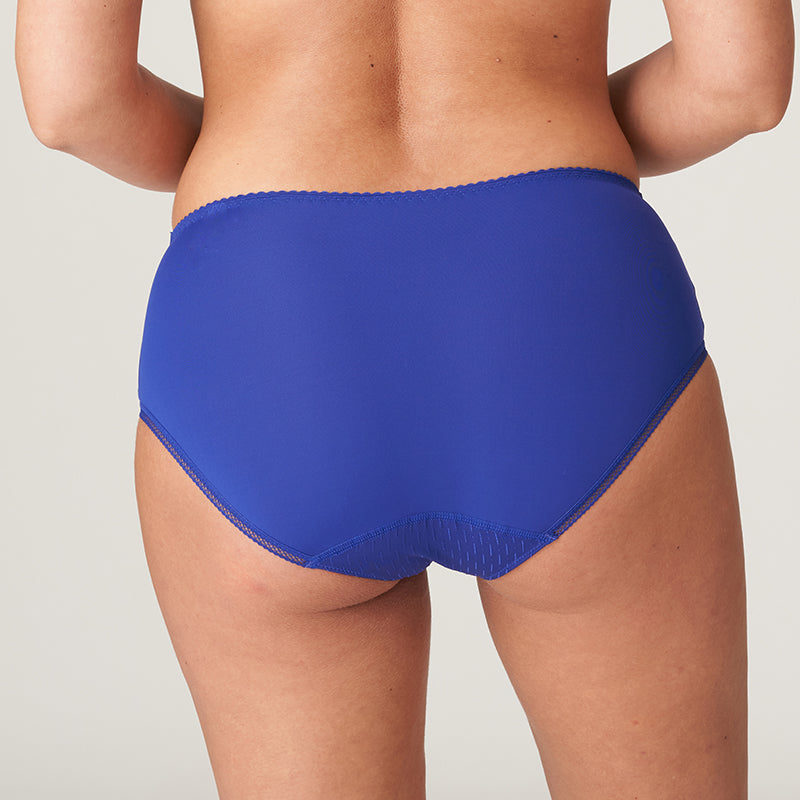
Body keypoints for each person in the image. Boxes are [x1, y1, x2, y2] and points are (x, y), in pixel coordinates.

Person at [15, 1, 793, 797]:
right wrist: (562, 137)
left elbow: (73, 100)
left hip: (271, 322)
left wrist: (247, 152)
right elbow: (738, 82)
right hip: (561, 294)